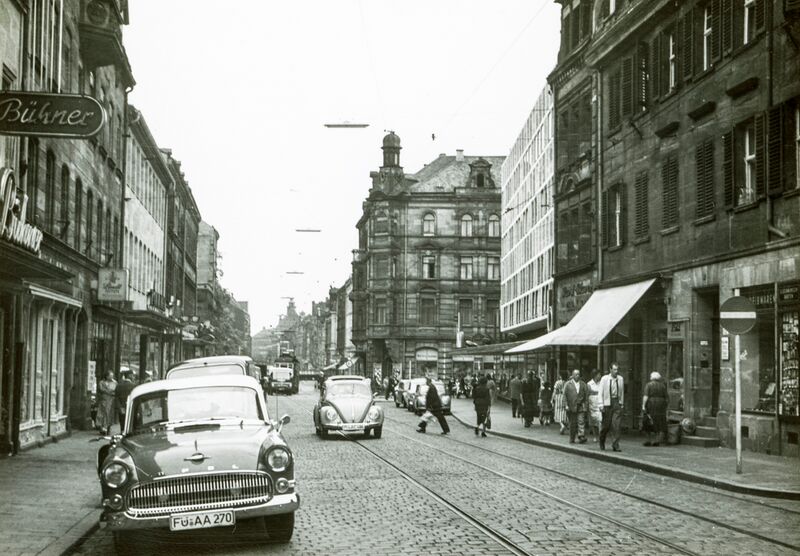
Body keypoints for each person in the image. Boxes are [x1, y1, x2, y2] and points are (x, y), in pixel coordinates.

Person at [599, 362, 625, 451]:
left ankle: (615, 444)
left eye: (617, 369)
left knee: (616, 425)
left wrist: (621, 403)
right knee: (606, 425)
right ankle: (602, 440)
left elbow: (621, 392)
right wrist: (601, 404)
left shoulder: (620, 379)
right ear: (610, 370)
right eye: (614, 369)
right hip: (607, 403)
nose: (616, 371)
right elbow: (600, 392)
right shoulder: (604, 379)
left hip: (616, 402)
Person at [642, 371, 669, 446]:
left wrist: (643, 405)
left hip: (651, 404)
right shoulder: (663, 386)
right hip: (661, 405)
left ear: (652, 377)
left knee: (648, 420)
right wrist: (665, 405)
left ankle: (648, 439)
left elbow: (646, 396)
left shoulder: (648, 385)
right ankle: (657, 440)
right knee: (659, 422)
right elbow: (666, 397)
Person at [564, 369, 588, 444]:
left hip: (580, 405)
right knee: (573, 423)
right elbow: (564, 395)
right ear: (573, 375)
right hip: (571, 406)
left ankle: (581, 436)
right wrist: (566, 405)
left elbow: (586, 396)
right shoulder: (568, 384)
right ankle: (572, 437)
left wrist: (585, 405)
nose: (578, 376)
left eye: (578, 374)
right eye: (576, 374)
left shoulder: (583, 384)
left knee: (581, 421)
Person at [115, 367, 136, 432]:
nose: (134, 377)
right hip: (131, 408)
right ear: (130, 376)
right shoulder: (133, 386)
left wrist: (120, 407)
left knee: (123, 425)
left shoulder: (118, 385)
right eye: (133, 376)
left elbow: (116, 398)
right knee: (131, 425)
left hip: (122, 408)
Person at [96, 371, 117, 435]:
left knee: (109, 414)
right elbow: (101, 389)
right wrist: (110, 391)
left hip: (111, 400)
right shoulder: (102, 382)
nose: (112, 377)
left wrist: (110, 392)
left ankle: (108, 428)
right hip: (104, 400)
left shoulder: (114, 382)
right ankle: (102, 428)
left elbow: (116, 390)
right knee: (102, 414)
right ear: (107, 376)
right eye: (110, 376)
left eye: (112, 376)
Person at [587, 369, 603, 442]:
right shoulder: (589, 384)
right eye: (599, 375)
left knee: (600, 420)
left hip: (600, 404)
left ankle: (600, 436)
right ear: (595, 375)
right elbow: (588, 393)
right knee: (593, 422)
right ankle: (595, 436)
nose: (600, 376)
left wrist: (595, 392)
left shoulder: (601, 383)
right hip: (592, 404)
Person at [551, 369, 569, 435]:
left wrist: (552, 399)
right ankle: (566, 423)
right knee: (564, 412)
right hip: (566, 397)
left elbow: (554, 391)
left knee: (558, 412)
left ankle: (562, 425)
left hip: (559, 397)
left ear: (561, 375)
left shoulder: (558, 382)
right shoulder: (568, 382)